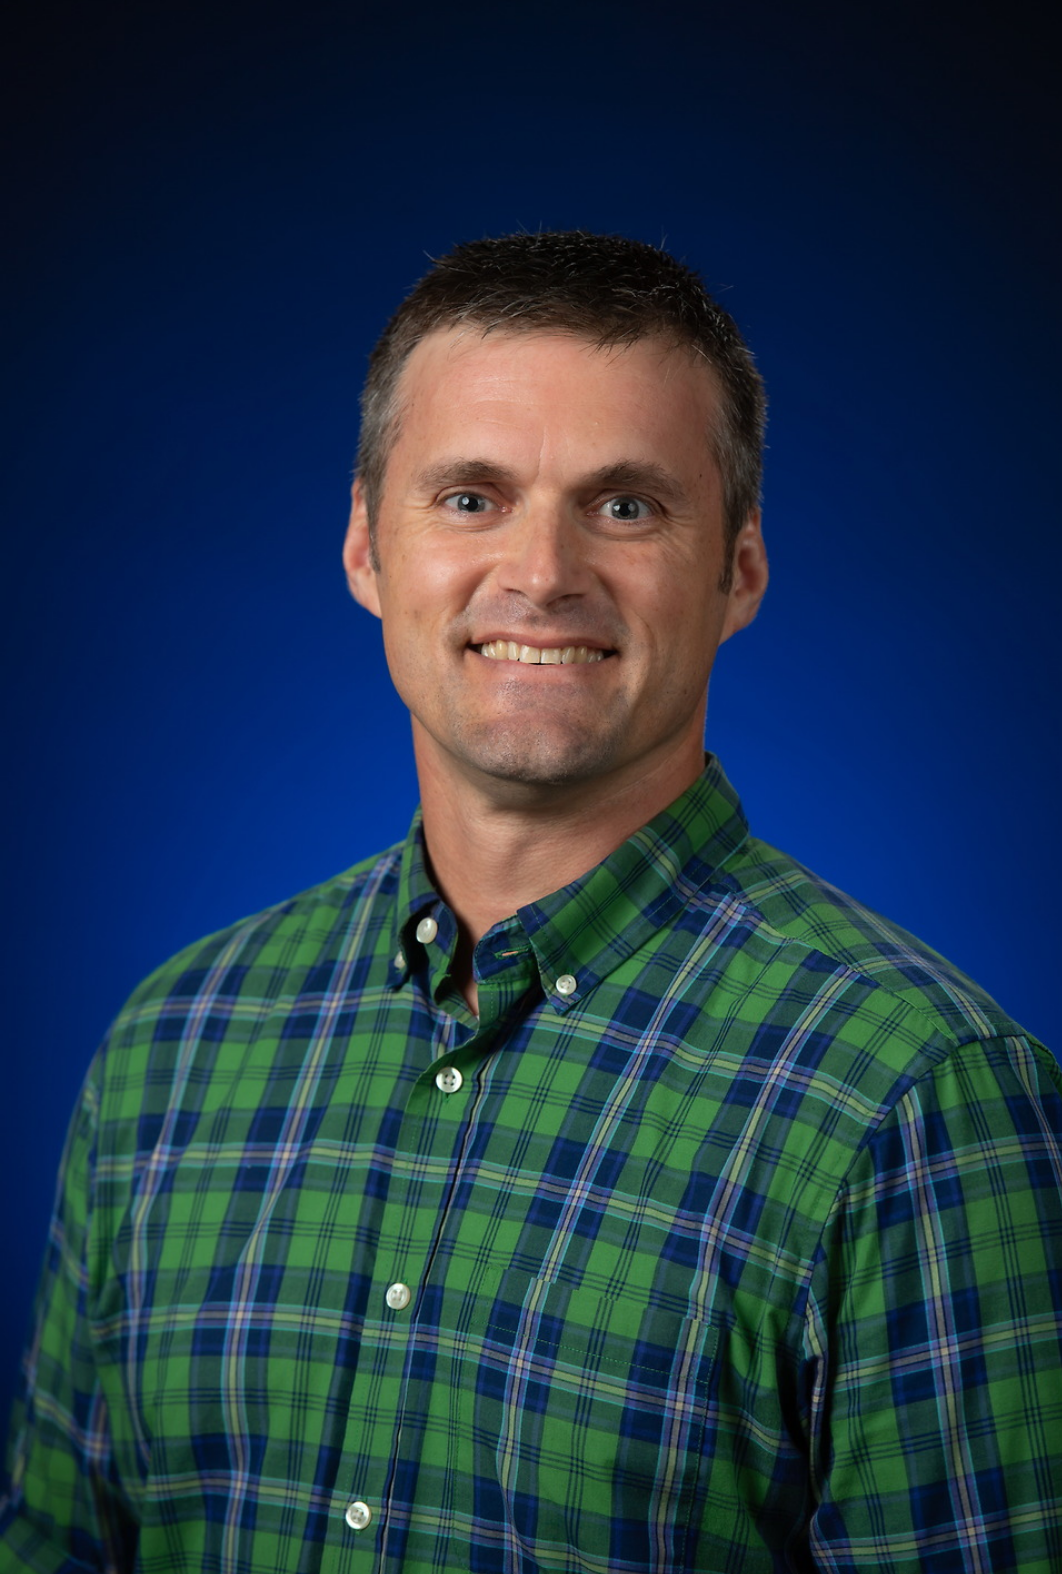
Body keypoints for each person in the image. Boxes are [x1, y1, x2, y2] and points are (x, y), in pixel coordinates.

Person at [2, 231, 1060, 1574]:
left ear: (736, 570)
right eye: (469, 498)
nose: (542, 570)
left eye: (624, 506)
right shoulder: (171, 1049)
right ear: (365, 549)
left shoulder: (918, 1103)